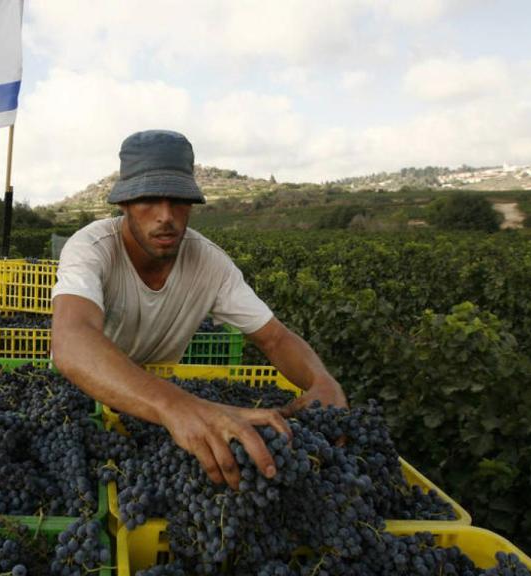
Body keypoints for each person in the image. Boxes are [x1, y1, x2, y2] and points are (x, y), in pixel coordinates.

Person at [50, 130, 348, 490]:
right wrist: (176, 406)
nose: (165, 216)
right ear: (124, 203)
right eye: (148, 200)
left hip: (164, 405)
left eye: (178, 201)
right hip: (86, 394)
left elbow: (275, 338)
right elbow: (71, 339)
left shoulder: (210, 264)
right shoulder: (92, 248)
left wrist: (322, 380)